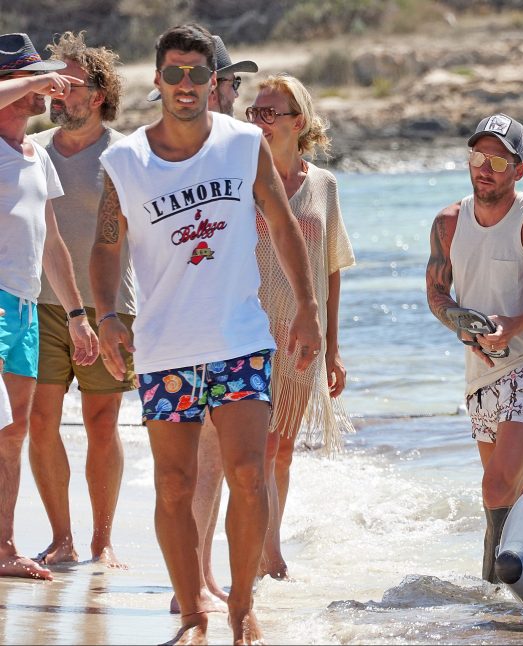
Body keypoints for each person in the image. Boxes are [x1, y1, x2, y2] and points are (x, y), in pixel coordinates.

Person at [89, 24, 321, 643]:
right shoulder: (124, 160)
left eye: (198, 74)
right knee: (174, 484)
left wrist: (308, 307)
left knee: (249, 474)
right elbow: (107, 248)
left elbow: (282, 221)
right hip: (164, 347)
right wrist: (107, 316)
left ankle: (243, 604)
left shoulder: (244, 144)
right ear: (157, 80)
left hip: (240, 340)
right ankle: (193, 608)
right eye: (174, 73)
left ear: (213, 81)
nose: (186, 85)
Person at [426, 113, 523, 583]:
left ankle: (494, 587)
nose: (484, 167)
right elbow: (438, 295)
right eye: (477, 156)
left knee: (496, 484)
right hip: (480, 376)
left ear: (519, 169)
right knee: (520, 494)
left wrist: (512, 325)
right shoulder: (448, 222)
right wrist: (459, 326)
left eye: (498, 160)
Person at [152, 32, 260, 615]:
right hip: (186, 331)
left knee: (218, 462)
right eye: (231, 81)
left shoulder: (230, 147)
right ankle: (187, 585)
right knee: (192, 466)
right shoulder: (180, 150)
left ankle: (202, 576)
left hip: (225, 328)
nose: (235, 92)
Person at [26, 31, 132, 569]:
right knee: (41, 421)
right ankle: (61, 537)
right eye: (54, 83)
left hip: (108, 306)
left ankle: (103, 540)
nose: (59, 94)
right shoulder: (30, 151)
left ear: (97, 92)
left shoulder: (128, 154)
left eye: (70, 84)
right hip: (39, 304)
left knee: (102, 422)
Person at [247, 73, 355, 579]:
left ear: (299, 121)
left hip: (301, 338)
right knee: (257, 447)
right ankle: (265, 552)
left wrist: (334, 348)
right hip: (246, 331)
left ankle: (268, 544)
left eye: (272, 112)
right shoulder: (242, 179)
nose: (261, 120)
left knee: (282, 449)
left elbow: (331, 269)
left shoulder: (324, 185)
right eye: (256, 111)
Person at [0, 32, 99, 581]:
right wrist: (35, 78)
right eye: (38, 77)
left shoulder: (37, 154)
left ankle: (4, 546)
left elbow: (52, 244)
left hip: (24, 308)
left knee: (14, 429)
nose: (51, 88)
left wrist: (79, 316)